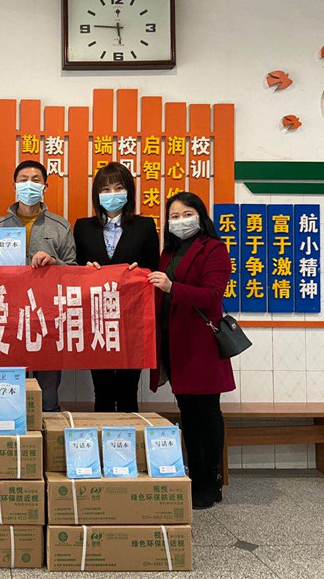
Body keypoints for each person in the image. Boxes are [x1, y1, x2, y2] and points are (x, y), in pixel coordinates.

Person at [148, 192, 235, 509]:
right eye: (174, 216)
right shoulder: (168, 252)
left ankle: (211, 481)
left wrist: (172, 287)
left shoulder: (214, 249)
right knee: (188, 414)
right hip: (175, 345)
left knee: (207, 414)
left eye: (187, 214)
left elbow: (212, 296)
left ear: (200, 216)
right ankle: (196, 477)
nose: (180, 220)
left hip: (202, 346)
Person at [0, 160, 77, 412]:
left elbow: (73, 271)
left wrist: (54, 262)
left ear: (45, 186)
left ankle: (48, 428)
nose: (29, 185)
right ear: (14, 186)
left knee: (47, 388)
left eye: (36, 180)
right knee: (8, 383)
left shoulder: (60, 226)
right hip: (9, 315)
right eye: (23, 180)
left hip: (47, 316)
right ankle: (7, 424)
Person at [73, 162, 159, 413]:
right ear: (97, 194)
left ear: (129, 191)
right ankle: (103, 437)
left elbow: (154, 270)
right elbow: (74, 270)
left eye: (119, 188)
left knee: (128, 390)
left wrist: (141, 272)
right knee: (102, 390)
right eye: (106, 189)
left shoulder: (144, 226)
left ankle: (127, 437)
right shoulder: (83, 227)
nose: (112, 194)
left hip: (133, 320)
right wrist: (84, 270)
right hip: (96, 319)